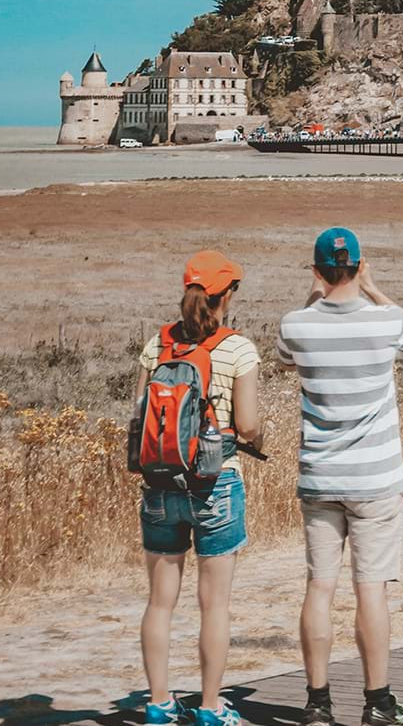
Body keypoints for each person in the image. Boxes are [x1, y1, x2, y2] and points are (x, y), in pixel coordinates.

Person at [278, 228, 403, 726]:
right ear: (359, 266)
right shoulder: (386, 321)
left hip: (320, 479)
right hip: (375, 480)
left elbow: (285, 352)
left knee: (319, 586)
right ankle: (377, 701)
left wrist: (313, 296)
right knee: (371, 590)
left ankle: (317, 702)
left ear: (317, 270)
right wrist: (373, 287)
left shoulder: (296, 325)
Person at [138, 251, 263, 726]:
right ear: (225, 295)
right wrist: (260, 437)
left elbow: (141, 416)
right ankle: (211, 708)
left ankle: (158, 703)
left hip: (160, 482)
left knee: (159, 601)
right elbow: (248, 426)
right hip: (216, 483)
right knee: (215, 605)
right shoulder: (237, 348)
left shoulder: (157, 344)